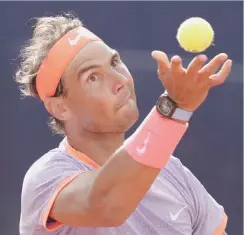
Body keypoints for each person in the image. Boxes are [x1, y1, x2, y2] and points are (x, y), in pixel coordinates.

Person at [16, 13, 232, 235]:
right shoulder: (46, 178)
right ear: (60, 107)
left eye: (115, 62)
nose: (120, 80)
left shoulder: (174, 173)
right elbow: (107, 204)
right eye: (92, 77)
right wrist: (174, 109)